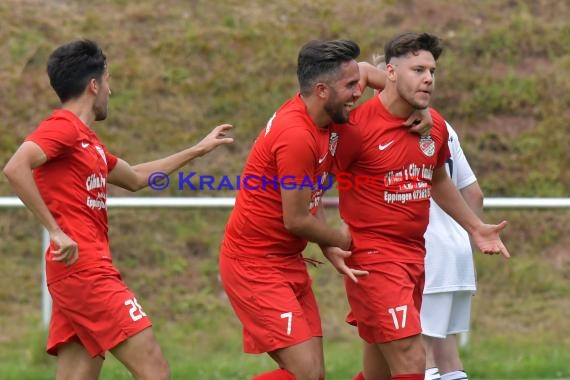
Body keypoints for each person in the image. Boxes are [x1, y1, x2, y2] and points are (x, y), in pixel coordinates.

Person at [2, 39, 233, 380]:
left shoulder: (87, 142)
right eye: (108, 80)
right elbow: (15, 167)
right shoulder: (63, 127)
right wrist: (55, 230)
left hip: (77, 273)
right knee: (154, 367)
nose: (112, 89)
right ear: (94, 85)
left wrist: (197, 150)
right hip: (85, 272)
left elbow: (138, 177)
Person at [219, 39, 430, 380]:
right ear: (321, 90)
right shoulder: (296, 136)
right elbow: (297, 218)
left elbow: (366, 72)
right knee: (305, 374)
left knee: (314, 375)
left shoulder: (326, 112)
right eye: (349, 88)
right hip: (254, 266)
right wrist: (340, 239)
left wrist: (418, 108)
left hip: (286, 260)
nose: (357, 92)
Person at [330, 32, 510, 380]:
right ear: (392, 73)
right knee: (414, 360)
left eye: (432, 71)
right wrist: (327, 239)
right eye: (417, 69)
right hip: (374, 259)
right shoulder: (354, 128)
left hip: (416, 256)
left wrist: (476, 227)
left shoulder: (434, 126)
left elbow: (439, 179)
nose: (428, 78)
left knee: (378, 371)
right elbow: (311, 178)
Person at [421, 121, 483, 380]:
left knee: (418, 355)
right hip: (456, 254)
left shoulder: (394, 123)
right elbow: (475, 194)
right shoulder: (442, 126)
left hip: (422, 251)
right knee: (447, 355)